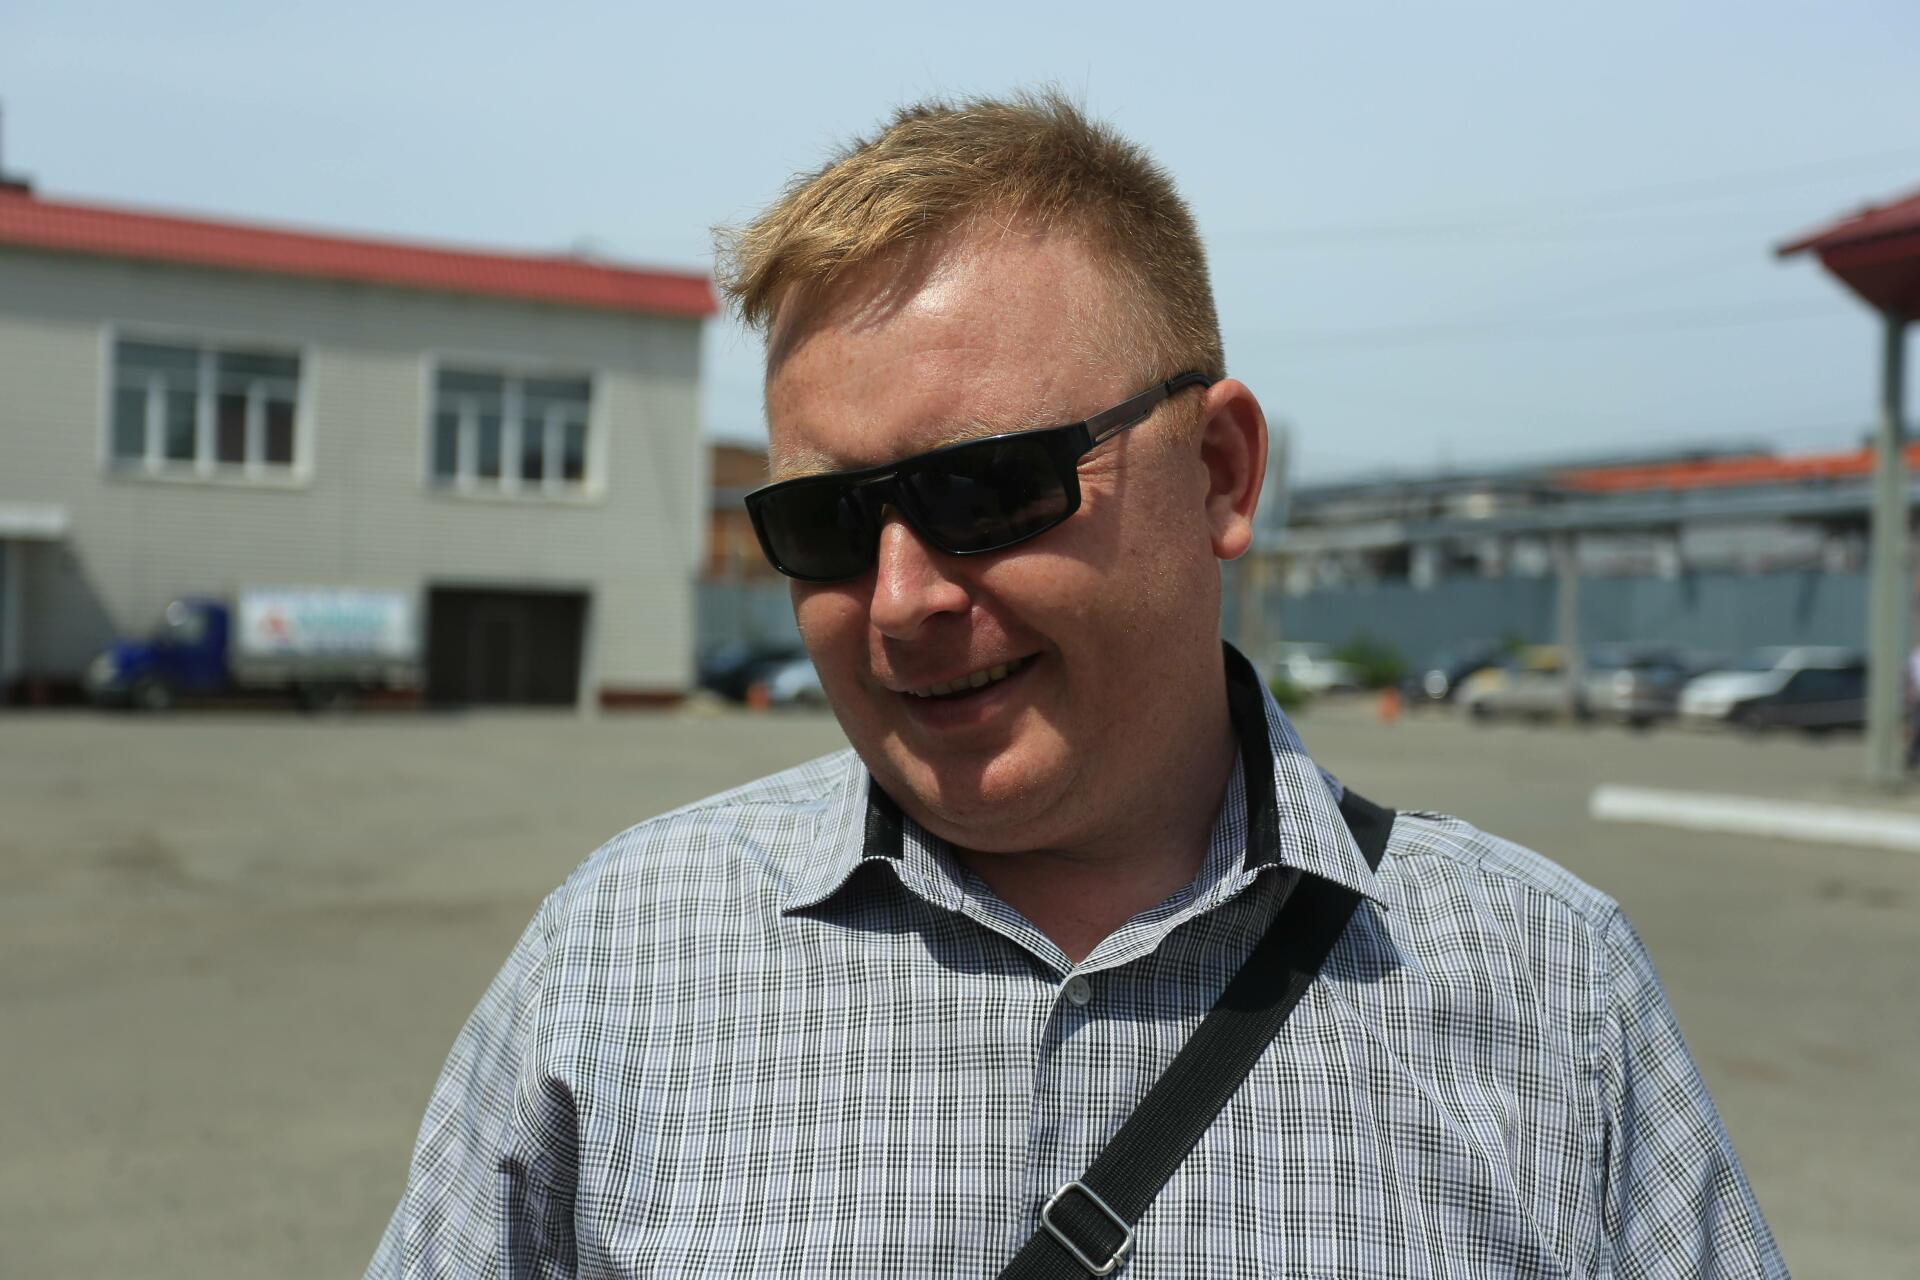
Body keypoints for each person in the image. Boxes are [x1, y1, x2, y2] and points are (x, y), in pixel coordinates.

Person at [369, 93, 1785, 1278]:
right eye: (826, 524)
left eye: (987, 487)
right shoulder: (624, 957)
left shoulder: (1548, 993)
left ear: (1220, 471)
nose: (904, 597)